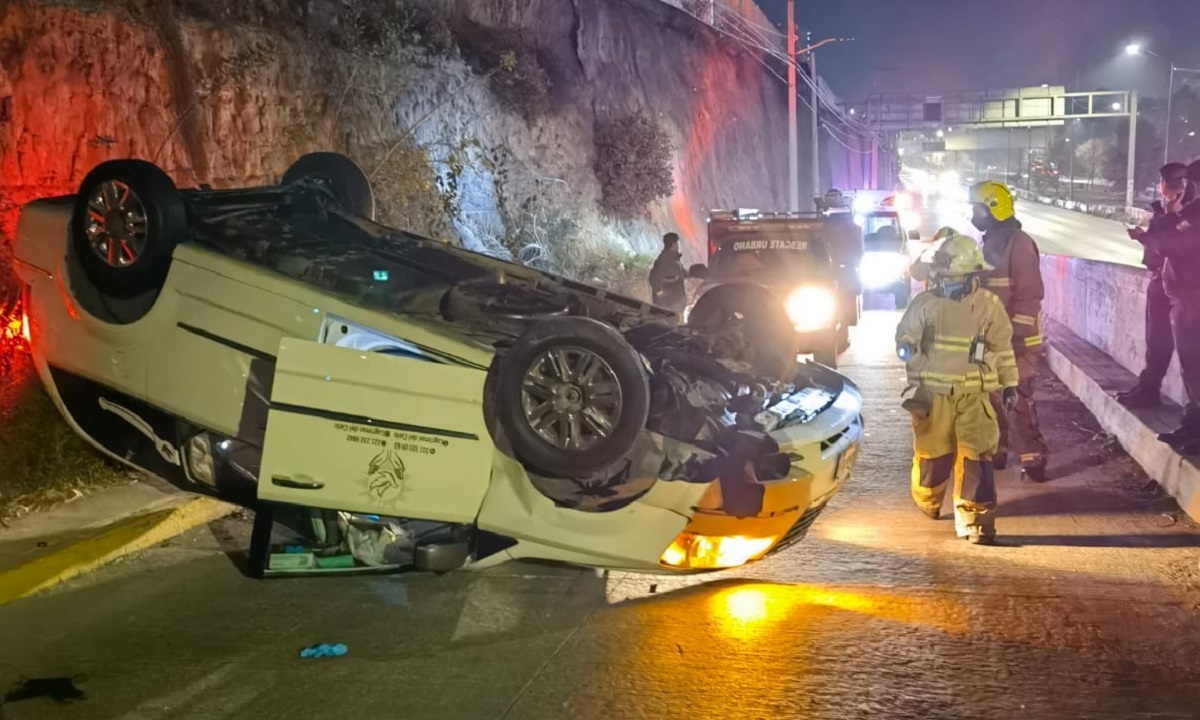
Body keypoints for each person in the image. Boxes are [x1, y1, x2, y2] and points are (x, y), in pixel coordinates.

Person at [895, 232, 1019, 545]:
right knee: (933, 458)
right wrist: (907, 349)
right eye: (941, 276)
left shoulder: (988, 307)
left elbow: (1003, 349)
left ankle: (976, 521)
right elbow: (906, 335)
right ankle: (928, 498)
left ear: (972, 275)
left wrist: (1009, 384)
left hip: (975, 395)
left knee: (977, 456)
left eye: (952, 277)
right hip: (934, 396)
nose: (945, 282)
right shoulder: (924, 304)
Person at [969, 181, 1050, 481]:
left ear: (993, 209)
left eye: (976, 209)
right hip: (989, 341)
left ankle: (1033, 458)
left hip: (1016, 340)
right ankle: (998, 451)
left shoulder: (1019, 244)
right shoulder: (988, 245)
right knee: (989, 398)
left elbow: (1030, 296)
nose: (973, 215)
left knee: (1015, 402)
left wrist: (1016, 337)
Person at [1136, 163, 1200, 453]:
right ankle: (1192, 426)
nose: (1187, 189)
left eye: (1190, 183)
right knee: (1192, 370)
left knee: (1195, 369)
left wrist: (1168, 218)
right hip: (1187, 299)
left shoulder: (1195, 214)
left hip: (1192, 300)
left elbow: (1168, 245)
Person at [1118, 163, 1194, 408]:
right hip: (1166, 283)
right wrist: (1145, 237)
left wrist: (1167, 219)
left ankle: (1188, 416)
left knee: (1180, 352)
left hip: (1177, 288)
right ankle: (1148, 389)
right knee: (1157, 342)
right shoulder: (1171, 210)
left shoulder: (1185, 213)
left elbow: (1167, 245)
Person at [649, 232, 687, 314]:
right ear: (673, 245)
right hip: (668, 306)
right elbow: (653, 277)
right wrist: (660, 294)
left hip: (675, 304)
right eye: (676, 243)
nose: (678, 246)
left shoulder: (674, 259)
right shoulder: (664, 260)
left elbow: (680, 275)